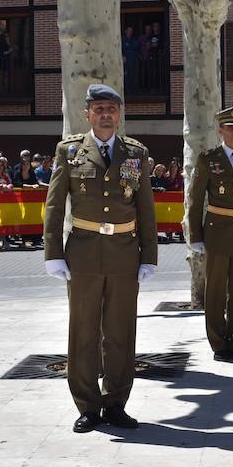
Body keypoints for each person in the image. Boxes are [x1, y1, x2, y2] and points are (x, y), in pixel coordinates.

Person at [44, 83, 158, 433]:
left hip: (125, 253)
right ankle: (88, 406)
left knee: (121, 333)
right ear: (88, 114)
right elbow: (53, 203)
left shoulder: (135, 153)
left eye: (111, 109)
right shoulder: (70, 152)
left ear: (119, 114)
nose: (106, 115)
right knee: (84, 332)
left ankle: (116, 403)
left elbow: (145, 207)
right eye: (99, 109)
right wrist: (54, 254)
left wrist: (148, 256)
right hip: (83, 252)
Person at [188, 107, 233, 363]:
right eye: (230, 127)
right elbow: (195, 200)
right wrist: (195, 237)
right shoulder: (208, 159)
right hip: (217, 232)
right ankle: (219, 344)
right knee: (216, 292)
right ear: (220, 130)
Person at [122, 26, 140, 93]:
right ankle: (127, 90)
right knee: (126, 75)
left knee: (134, 75)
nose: (130, 32)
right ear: (126, 31)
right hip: (126, 61)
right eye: (129, 31)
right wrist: (122, 55)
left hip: (134, 60)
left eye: (131, 31)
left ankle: (134, 90)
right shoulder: (123, 39)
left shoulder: (134, 39)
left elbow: (137, 47)